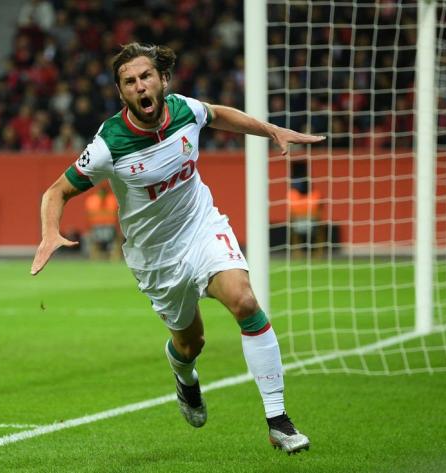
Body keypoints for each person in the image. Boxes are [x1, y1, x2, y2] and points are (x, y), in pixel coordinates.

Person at [30, 43, 325, 454]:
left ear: (162, 80)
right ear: (121, 93)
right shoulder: (108, 145)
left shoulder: (185, 110)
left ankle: (278, 421)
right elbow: (56, 190)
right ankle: (184, 377)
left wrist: (270, 130)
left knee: (244, 301)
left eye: (146, 76)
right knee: (191, 344)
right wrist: (49, 233)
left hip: (202, 227)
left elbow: (219, 114)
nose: (140, 86)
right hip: (155, 257)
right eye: (130, 82)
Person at [288, 160, 326, 259]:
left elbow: (319, 211)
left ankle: (319, 253)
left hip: (312, 222)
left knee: (320, 228)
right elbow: (291, 213)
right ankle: (296, 254)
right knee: (292, 228)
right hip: (298, 222)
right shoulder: (292, 194)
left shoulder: (315, 194)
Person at [84, 182, 121, 261]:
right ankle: (94, 258)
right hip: (96, 227)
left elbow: (116, 214)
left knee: (118, 239)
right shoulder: (91, 200)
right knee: (90, 239)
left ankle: (115, 258)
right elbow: (89, 215)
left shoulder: (113, 199)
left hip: (110, 226)